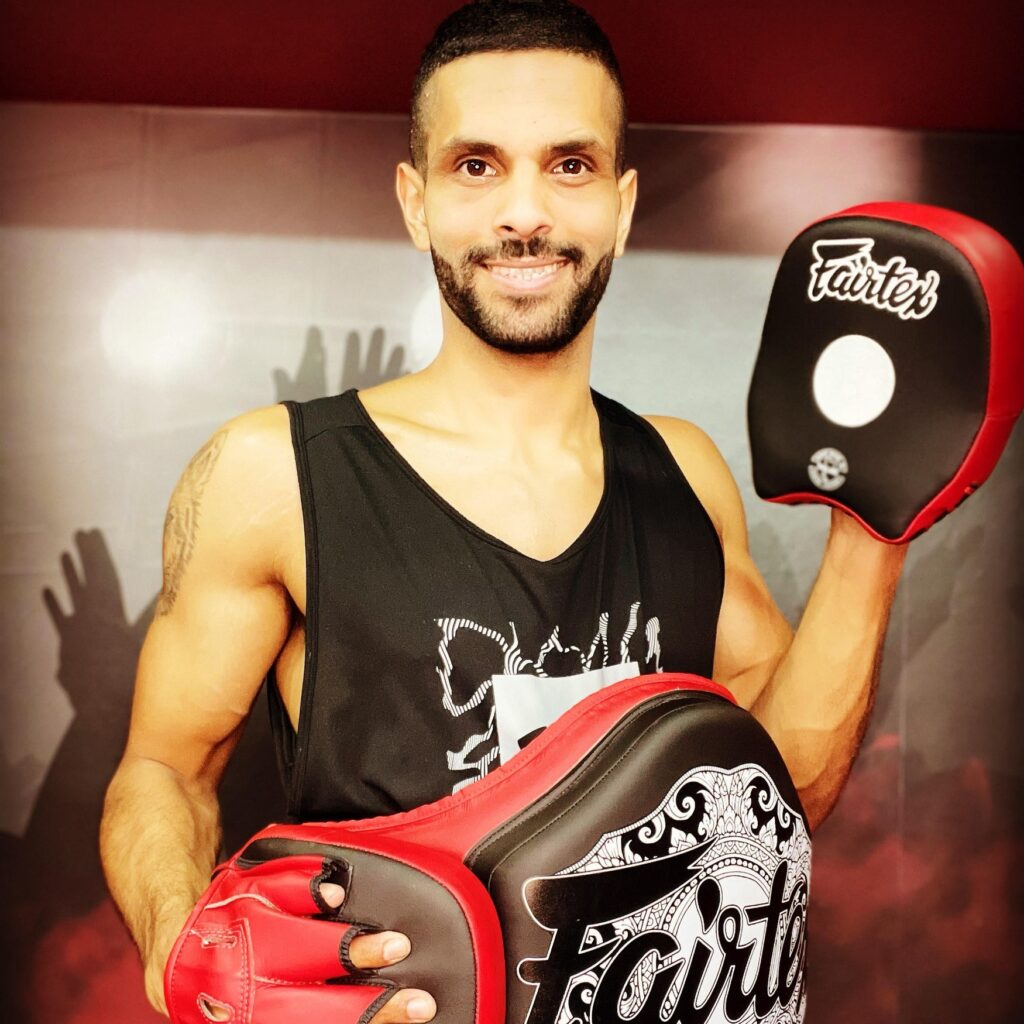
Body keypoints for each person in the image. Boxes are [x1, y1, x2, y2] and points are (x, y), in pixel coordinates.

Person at [100, 2, 907, 1021]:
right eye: (476, 165)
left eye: (569, 165)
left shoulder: (683, 473)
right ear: (416, 201)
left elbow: (777, 792)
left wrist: (873, 533)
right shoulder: (274, 474)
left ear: (620, 205)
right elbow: (163, 769)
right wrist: (179, 941)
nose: (524, 213)